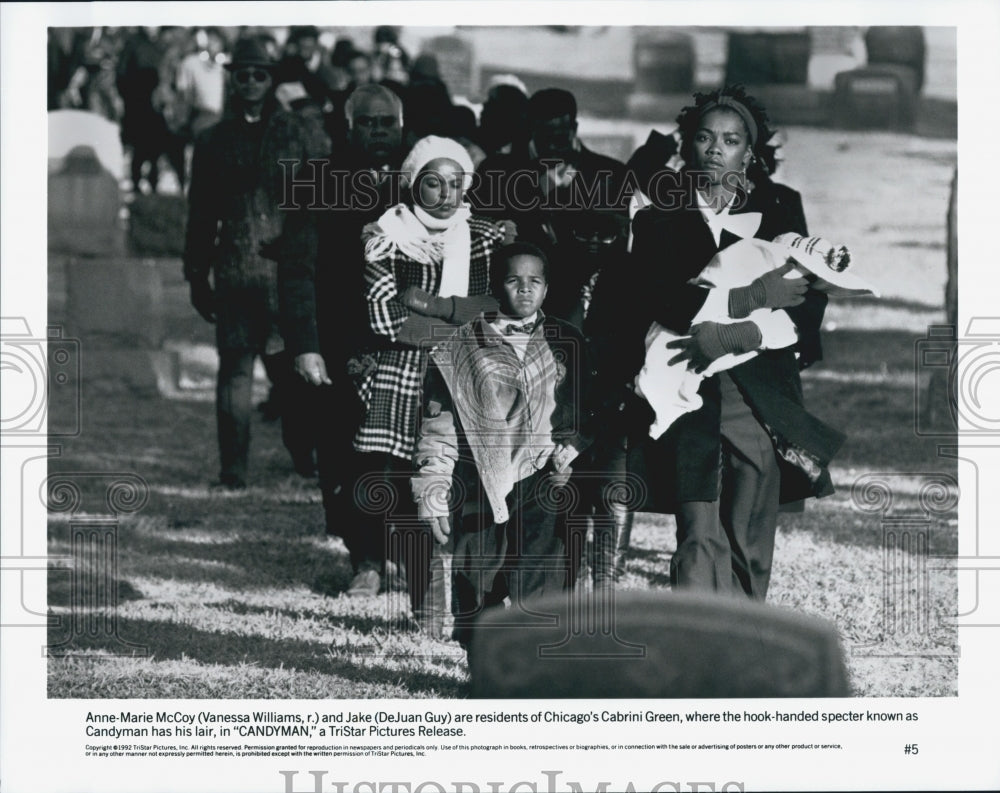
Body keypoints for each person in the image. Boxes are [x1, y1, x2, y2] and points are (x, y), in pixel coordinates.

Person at [620, 85, 842, 599]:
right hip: (685, 373)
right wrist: (745, 300)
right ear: (687, 145)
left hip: (756, 383)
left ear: (751, 151)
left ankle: (746, 629)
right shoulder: (658, 215)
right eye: (704, 137)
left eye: (731, 139)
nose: (716, 148)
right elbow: (654, 298)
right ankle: (696, 643)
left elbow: (806, 300)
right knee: (697, 525)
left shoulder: (781, 208)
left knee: (750, 513)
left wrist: (743, 331)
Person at [354, 136, 510, 606]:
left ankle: (463, 593)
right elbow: (385, 319)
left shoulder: (486, 238)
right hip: (403, 378)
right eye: (433, 183)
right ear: (411, 186)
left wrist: (434, 307)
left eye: (455, 184)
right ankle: (419, 596)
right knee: (407, 484)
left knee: (462, 484)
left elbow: (500, 312)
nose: (445, 194)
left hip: (470, 376)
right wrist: (463, 317)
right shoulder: (384, 236)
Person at [412, 242, 588, 648]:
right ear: (494, 286)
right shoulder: (459, 350)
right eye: (513, 280)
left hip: (543, 480)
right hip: (479, 483)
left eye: (535, 281)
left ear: (546, 288)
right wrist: (432, 486)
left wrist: (573, 447)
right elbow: (439, 427)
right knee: (477, 582)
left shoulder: (567, 342)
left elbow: (586, 410)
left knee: (540, 583)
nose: (525, 289)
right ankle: (483, 671)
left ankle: (535, 677)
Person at [274, 83, 409, 596]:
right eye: (368, 123)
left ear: (401, 126)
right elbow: (297, 269)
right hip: (339, 345)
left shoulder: (424, 179)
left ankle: (407, 554)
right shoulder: (318, 181)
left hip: (410, 346)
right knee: (345, 455)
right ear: (349, 127)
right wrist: (305, 344)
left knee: (407, 456)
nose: (378, 132)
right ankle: (366, 560)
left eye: (387, 122)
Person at [183, 37, 319, 489]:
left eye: (259, 73)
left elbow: (318, 203)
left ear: (271, 78)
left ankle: (305, 456)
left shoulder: (299, 134)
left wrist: (307, 255)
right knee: (235, 371)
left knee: (293, 375)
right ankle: (233, 471)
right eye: (242, 73)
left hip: (288, 275)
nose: (250, 81)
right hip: (237, 268)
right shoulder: (212, 140)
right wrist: (194, 273)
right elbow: (200, 212)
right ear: (231, 77)